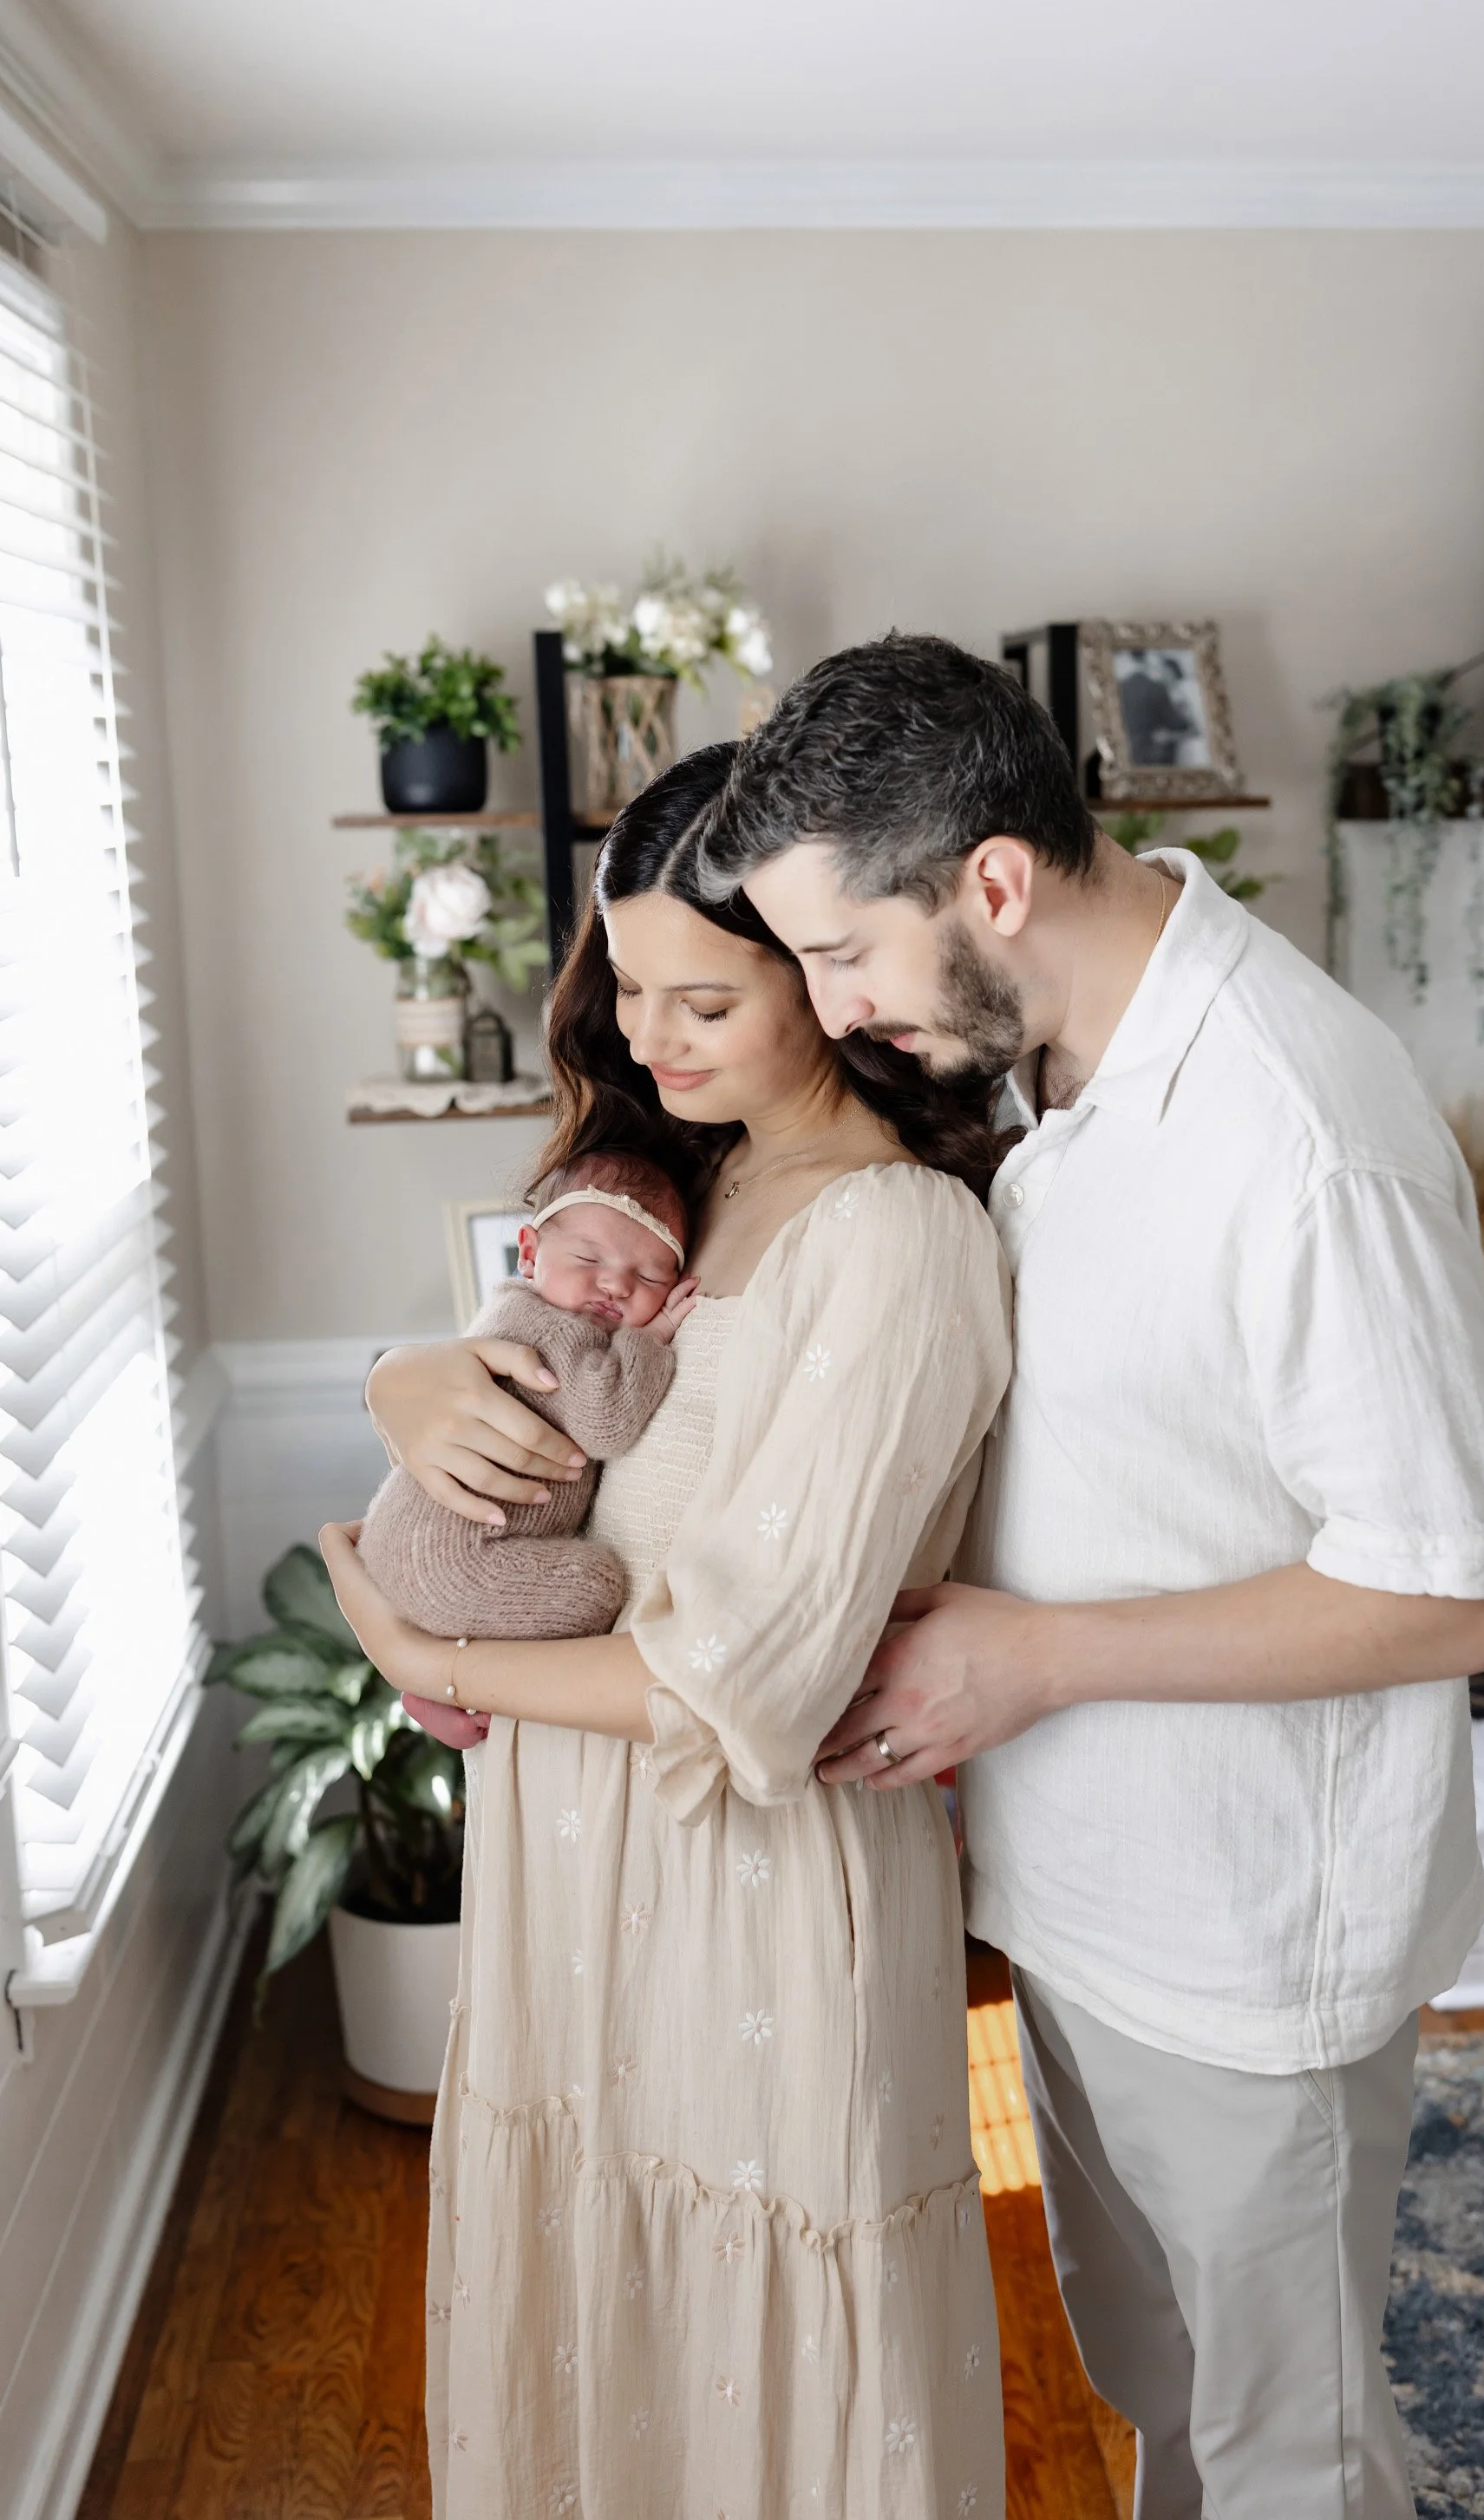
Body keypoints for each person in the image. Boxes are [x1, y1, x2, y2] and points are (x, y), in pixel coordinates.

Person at [694, 633, 1484, 2520]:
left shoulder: (1299, 1133)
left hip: (1253, 1947)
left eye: (841, 953)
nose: (827, 1011)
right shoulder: (1049, 1063)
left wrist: (1034, 1660)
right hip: (1082, 1907)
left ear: (992, 882)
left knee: (1288, 2464)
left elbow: (1466, 1599)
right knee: (1157, 2392)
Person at [321, 744, 1015, 2520]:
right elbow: (529, 1407)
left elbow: (749, 1677)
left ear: (825, 976)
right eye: (622, 987)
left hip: (753, 1901)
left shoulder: (902, 1247)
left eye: (701, 995)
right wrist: (406, 1381)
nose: (644, 1035)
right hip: (574, 1883)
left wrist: (425, 1663)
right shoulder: (671, 1187)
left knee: (760, 2380)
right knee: (595, 2346)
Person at [361, 1147, 698, 1644]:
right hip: (459, 1556)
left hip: (410, 1539)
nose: (615, 1284)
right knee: (599, 1587)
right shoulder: (551, 1330)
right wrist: (649, 1339)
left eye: (649, 1276)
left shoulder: (509, 1309)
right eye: (588, 1258)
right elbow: (605, 1422)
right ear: (530, 1253)